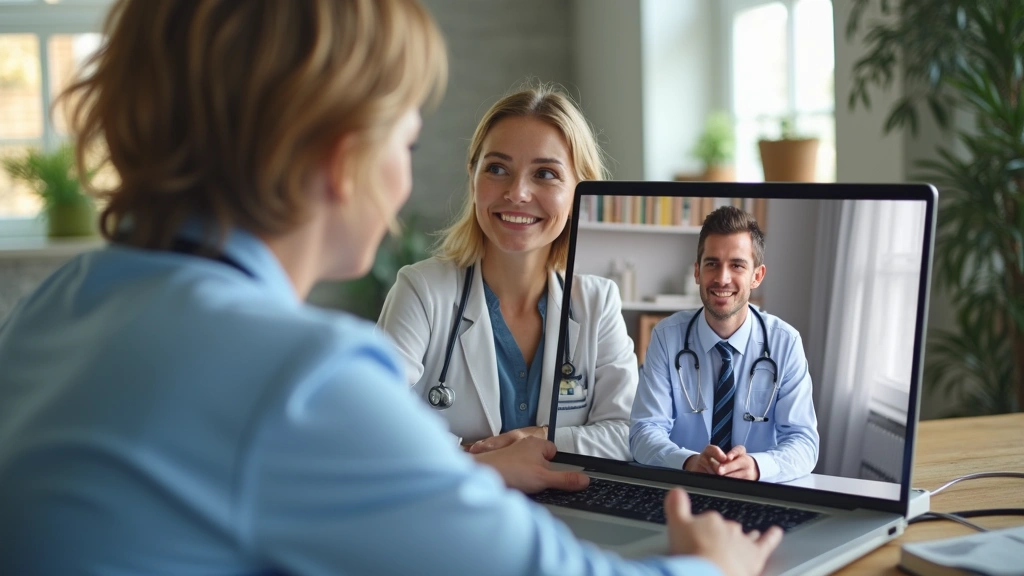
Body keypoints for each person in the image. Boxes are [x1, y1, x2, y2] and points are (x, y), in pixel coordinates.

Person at [0, 1, 782, 575]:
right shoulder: (298, 379)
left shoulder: (58, 307)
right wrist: (710, 566)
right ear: (345, 157)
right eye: (407, 138)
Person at [378, 85, 637, 459]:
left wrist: (537, 442)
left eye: (545, 174)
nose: (517, 193)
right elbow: (375, 419)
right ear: (473, 176)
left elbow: (628, 432)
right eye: (497, 169)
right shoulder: (421, 291)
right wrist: (489, 465)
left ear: (580, 190)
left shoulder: (597, 302)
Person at [629, 206, 819, 483]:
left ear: (757, 276)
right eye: (712, 264)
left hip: (759, 492)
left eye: (737, 265)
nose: (722, 278)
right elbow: (644, 432)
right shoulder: (667, 337)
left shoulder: (785, 343)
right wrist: (688, 461)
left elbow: (804, 442)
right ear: (697, 272)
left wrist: (757, 466)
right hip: (683, 488)